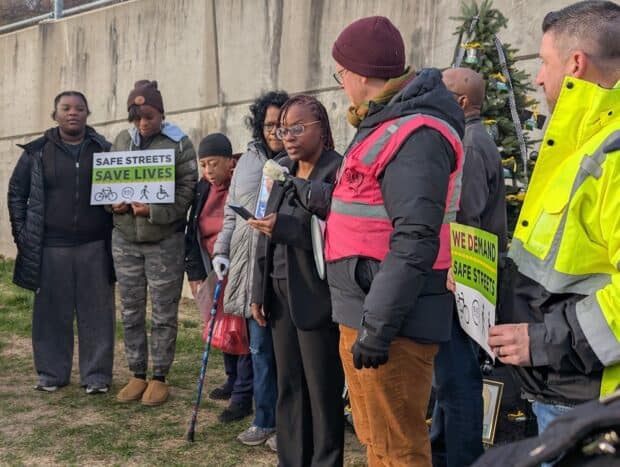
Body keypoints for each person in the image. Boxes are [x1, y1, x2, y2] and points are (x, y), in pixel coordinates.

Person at [325, 16, 464, 466]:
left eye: (341, 73)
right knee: (376, 441)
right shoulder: (384, 122)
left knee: (398, 449)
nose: (341, 83)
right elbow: (375, 207)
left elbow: (415, 237)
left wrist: (377, 326)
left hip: (391, 324)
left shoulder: (416, 133)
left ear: (363, 76)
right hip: (366, 311)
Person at [488, 0, 620, 434]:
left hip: (592, 405)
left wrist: (541, 340)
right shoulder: (584, 144)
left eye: (544, 63)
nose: (539, 76)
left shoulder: (612, 153)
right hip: (566, 389)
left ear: (576, 63)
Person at [248, 95, 344, 466]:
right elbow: (262, 233)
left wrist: (286, 229)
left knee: (321, 389)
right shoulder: (278, 168)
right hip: (278, 292)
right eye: (282, 129)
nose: (287, 136)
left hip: (317, 296)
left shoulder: (337, 171)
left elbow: (338, 233)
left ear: (322, 129)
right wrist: (258, 290)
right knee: (289, 386)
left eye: (298, 128)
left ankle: (325, 460)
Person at [7, 91, 115, 394]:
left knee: (97, 313)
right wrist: (23, 235)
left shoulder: (104, 150)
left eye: (79, 108)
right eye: (66, 108)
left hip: (95, 245)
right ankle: (51, 374)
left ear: (88, 113)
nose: (73, 113)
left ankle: (96, 376)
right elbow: (17, 193)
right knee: (51, 313)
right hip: (50, 247)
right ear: (55, 114)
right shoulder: (36, 152)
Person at [428, 67, 508, 467]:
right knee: (449, 377)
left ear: (461, 102)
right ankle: (441, 451)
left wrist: (455, 273)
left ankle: (461, 458)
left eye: (441, 90)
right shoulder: (466, 139)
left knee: (458, 379)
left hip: (462, 281)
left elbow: (467, 219)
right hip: (460, 279)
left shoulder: (472, 145)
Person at [112, 80, 197, 406]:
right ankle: (136, 372)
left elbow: (187, 191)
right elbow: (105, 182)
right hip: (124, 239)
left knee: (163, 312)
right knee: (130, 309)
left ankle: (159, 376)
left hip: (164, 241)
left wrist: (154, 210)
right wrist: (113, 204)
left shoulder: (179, 145)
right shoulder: (122, 140)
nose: (142, 123)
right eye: (136, 117)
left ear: (161, 113)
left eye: (149, 116)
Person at [212, 91, 289, 448]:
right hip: (249, 266)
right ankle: (264, 418)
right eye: (268, 124)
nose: (275, 130)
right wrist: (222, 249)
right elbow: (231, 211)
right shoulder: (247, 161)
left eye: (281, 124)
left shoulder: (298, 159)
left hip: (283, 266)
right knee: (258, 348)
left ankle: (288, 423)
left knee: (286, 351)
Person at [184, 133, 253, 423]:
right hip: (213, 265)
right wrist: (195, 272)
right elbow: (192, 228)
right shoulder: (203, 187)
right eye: (203, 164)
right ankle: (231, 378)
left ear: (230, 161)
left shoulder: (242, 183)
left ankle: (243, 395)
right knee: (220, 325)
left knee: (243, 332)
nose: (208, 170)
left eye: (213, 163)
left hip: (242, 266)